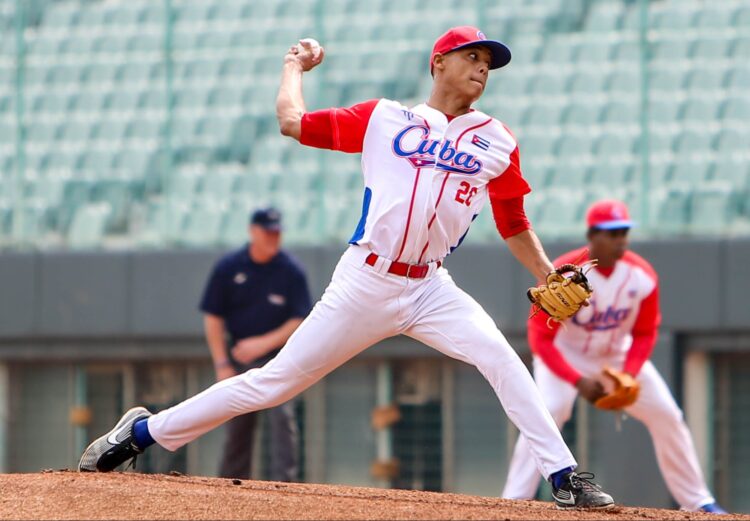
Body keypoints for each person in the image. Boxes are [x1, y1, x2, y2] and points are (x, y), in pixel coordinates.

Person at [78, 26, 615, 510]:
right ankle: (143, 434)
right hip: (366, 278)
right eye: (471, 56)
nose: (482, 68)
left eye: (488, 63)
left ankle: (565, 477)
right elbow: (292, 123)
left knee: (501, 359)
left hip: (431, 286)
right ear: (438, 63)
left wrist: (546, 271)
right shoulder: (385, 118)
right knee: (273, 384)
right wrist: (293, 67)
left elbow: (513, 221)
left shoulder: (497, 140)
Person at [501, 199, 727, 514]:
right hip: (566, 355)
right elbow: (540, 336)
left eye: (624, 232)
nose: (621, 239)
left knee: (668, 415)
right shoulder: (564, 271)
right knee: (548, 410)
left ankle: (699, 501)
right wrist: (577, 381)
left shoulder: (642, 276)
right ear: (593, 235)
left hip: (616, 356)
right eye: (612, 232)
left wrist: (630, 374)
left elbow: (646, 333)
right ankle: (515, 499)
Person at [201, 207, 311, 481]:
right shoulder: (229, 267)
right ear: (253, 232)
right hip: (239, 360)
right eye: (268, 232)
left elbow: (300, 319)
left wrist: (262, 344)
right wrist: (222, 363)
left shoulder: (291, 270)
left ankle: (285, 485)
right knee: (237, 425)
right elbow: (213, 316)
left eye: (277, 232)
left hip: (280, 359)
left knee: (282, 421)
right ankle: (231, 483)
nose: (274, 237)